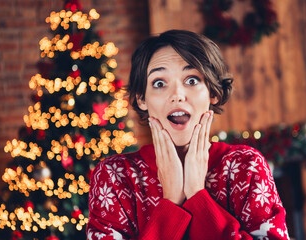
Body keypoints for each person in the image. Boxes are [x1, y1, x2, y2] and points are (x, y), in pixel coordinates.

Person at [87, 30, 289, 240]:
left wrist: (197, 195)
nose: (177, 95)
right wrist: (171, 202)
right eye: (159, 83)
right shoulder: (114, 176)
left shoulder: (247, 166)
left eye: (191, 80)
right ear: (141, 99)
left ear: (213, 93)